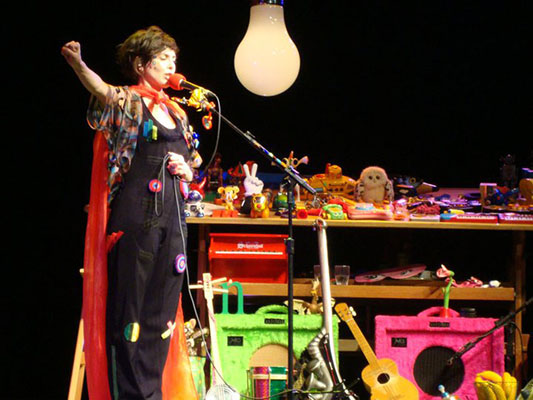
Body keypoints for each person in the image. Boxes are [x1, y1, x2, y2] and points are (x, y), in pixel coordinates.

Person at [62, 26, 202, 399]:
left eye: (174, 58)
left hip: (172, 222)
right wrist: (79, 66)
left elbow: (193, 163)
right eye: (163, 58)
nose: (171, 64)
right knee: (131, 315)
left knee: (161, 318)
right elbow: (102, 91)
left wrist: (187, 172)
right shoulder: (129, 102)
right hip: (136, 220)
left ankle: (152, 394)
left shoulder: (177, 112)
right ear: (141, 64)